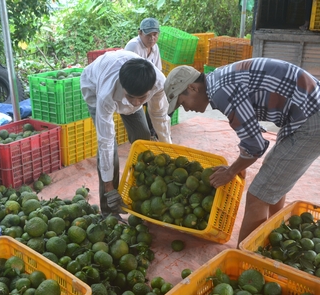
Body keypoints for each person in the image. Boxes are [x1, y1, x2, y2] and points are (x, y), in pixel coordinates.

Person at [163, 58, 320, 246]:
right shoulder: (217, 81)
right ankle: (276, 235)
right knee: (272, 178)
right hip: (305, 109)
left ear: (193, 88)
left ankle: (246, 260)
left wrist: (232, 171)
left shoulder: (222, 92)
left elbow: (255, 145)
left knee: (257, 195)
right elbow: (251, 136)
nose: (186, 108)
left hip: (311, 116)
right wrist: (239, 164)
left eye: (182, 102)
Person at [80, 50, 172, 219]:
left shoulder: (159, 83)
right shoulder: (106, 93)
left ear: (150, 89)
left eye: (142, 98)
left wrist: (169, 150)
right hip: (93, 86)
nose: (136, 102)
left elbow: (159, 117)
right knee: (110, 151)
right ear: (123, 87)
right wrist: (109, 186)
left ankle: (143, 192)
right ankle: (109, 211)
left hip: (124, 87)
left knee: (144, 139)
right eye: (131, 97)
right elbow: (105, 140)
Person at [125, 17, 162, 139]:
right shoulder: (134, 46)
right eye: (148, 35)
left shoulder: (155, 47)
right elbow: (131, 76)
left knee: (162, 101)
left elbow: (158, 72)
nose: (152, 38)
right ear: (140, 33)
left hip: (147, 86)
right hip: (134, 87)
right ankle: (146, 131)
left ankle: (152, 132)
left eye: (155, 35)